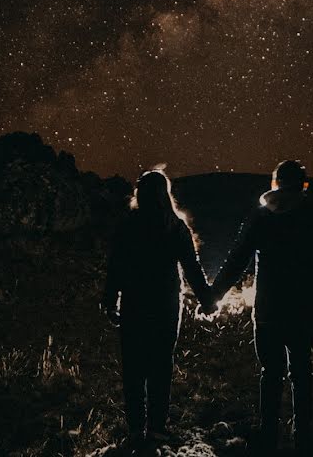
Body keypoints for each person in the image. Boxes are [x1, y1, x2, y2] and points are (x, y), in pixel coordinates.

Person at [210, 160, 313, 454]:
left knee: (270, 372)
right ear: (303, 185)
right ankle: (303, 435)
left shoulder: (261, 218)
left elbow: (237, 260)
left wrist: (213, 296)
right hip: (302, 307)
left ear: (274, 184)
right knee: (301, 370)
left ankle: (269, 433)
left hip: (268, 308)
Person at [104, 169, 215, 451]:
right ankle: (156, 428)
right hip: (165, 305)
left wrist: (109, 300)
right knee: (160, 366)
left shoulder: (126, 225)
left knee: (133, 368)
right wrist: (207, 299)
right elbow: (192, 268)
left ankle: (135, 430)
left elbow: (114, 268)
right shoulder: (174, 227)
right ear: (165, 194)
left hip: (134, 304)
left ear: (139, 194)